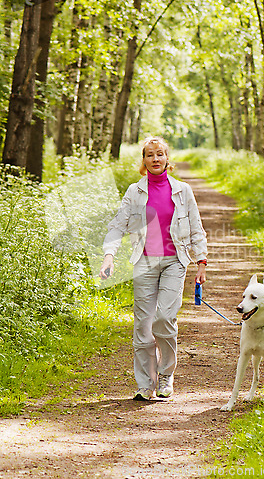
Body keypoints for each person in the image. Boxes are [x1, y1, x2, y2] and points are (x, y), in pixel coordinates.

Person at [99, 136, 207, 401]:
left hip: (174, 261)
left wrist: (201, 261)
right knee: (143, 326)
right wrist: (109, 256)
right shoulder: (134, 192)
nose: (155, 159)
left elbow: (196, 227)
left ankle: (166, 374)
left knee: (164, 319)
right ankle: (146, 384)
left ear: (167, 158)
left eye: (160, 154)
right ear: (144, 160)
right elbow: (117, 225)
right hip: (144, 262)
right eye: (150, 155)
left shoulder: (182, 190)